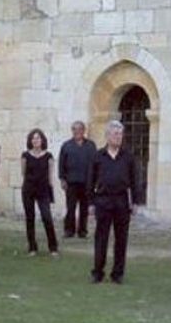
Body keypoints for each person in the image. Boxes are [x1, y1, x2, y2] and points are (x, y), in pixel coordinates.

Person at [88, 120, 142, 284]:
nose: (118, 137)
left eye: (120, 134)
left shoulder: (128, 156)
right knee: (101, 238)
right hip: (103, 200)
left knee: (121, 239)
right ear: (107, 136)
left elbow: (135, 180)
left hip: (121, 201)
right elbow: (90, 180)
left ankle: (117, 274)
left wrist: (135, 202)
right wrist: (91, 203)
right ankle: (98, 272)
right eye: (115, 134)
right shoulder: (98, 156)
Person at [21, 128, 59, 256]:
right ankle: (32, 248)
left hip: (43, 190)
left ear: (42, 140)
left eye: (38, 138)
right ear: (30, 141)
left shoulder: (49, 156)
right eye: (33, 138)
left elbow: (50, 177)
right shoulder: (25, 156)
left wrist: (51, 193)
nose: (35, 140)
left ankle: (53, 248)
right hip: (28, 190)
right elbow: (23, 173)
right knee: (30, 218)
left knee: (47, 217)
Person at [58, 120, 97, 238]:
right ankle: (69, 230)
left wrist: (95, 180)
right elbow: (61, 163)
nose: (77, 131)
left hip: (87, 182)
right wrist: (62, 179)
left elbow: (95, 163)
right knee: (71, 207)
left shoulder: (91, 145)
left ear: (83, 131)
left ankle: (82, 231)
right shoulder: (66, 145)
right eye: (75, 129)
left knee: (84, 208)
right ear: (72, 131)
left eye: (80, 129)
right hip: (71, 182)